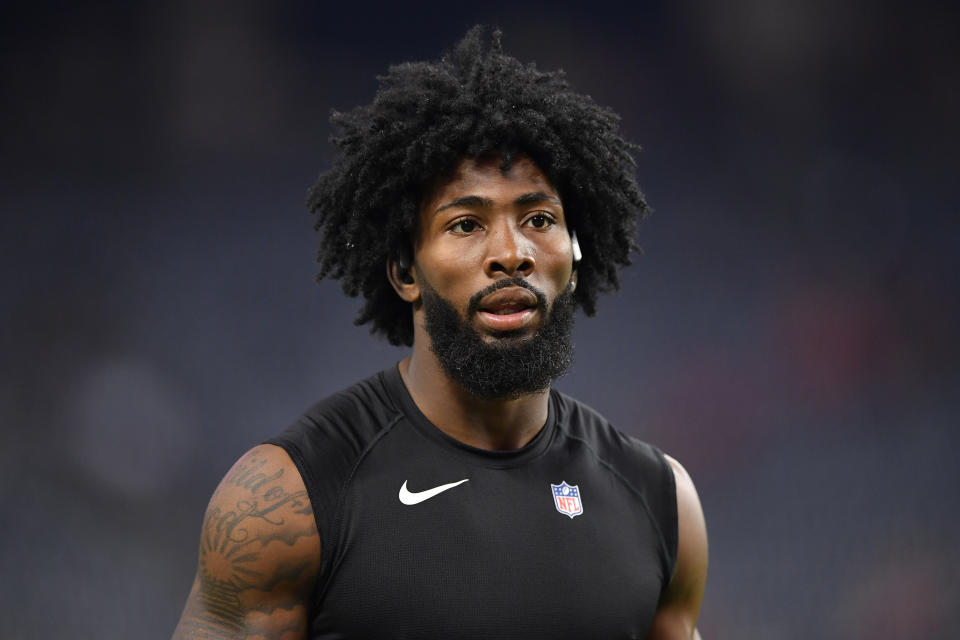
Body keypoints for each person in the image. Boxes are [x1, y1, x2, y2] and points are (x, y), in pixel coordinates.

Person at [173, 26, 707, 640]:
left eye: (538, 219)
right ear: (405, 271)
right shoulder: (286, 499)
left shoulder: (659, 500)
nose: (512, 253)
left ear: (575, 256)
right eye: (465, 224)